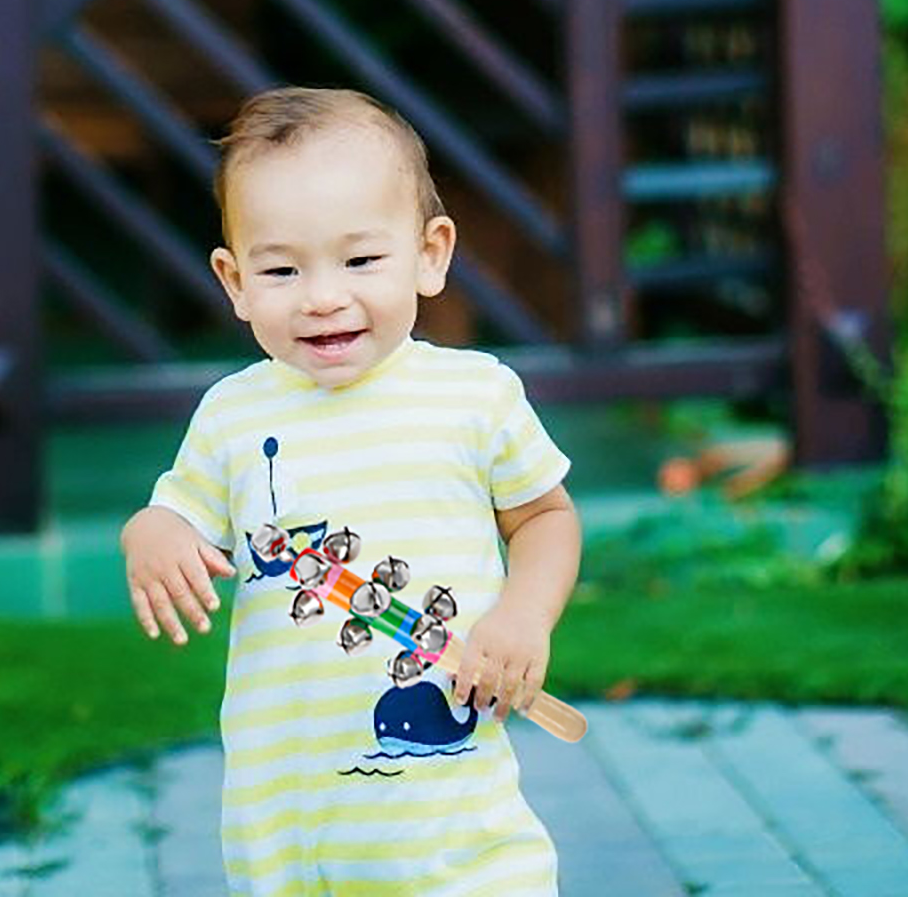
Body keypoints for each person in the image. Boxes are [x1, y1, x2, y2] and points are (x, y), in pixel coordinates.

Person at [122, 86, 580, 895]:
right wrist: (151, 534)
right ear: (234, 280)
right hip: (291, 837)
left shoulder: (475, 396)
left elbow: (544, 516)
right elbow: (176, 515)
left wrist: (523, 615)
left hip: (455, 843)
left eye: (360, 261)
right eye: (281, 269)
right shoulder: (233, 416)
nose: (323, 296)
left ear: (430, 254)